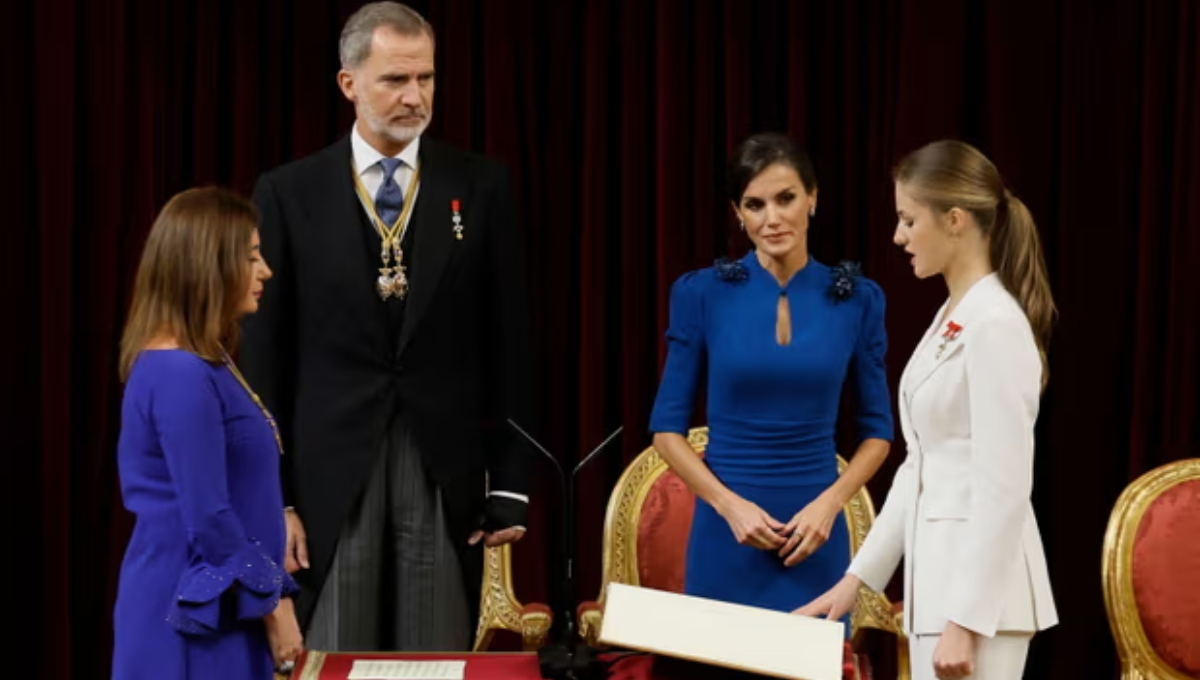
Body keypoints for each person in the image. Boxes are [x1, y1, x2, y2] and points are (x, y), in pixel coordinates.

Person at [239, 1, 534, 652]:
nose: (414, 96)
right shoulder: (290, 193)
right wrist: (276, 498)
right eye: (395, 80)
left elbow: (508, 342)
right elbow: (264, 357)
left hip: (444, 463)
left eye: (425, 79)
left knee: (434, 654)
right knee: (337, 650)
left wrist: (511, 479)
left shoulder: (480, 185)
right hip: (329, 471)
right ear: (349, 84)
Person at [795, 140, 1059, 680]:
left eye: (909, 219)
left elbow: (1004, 485)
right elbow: (921, 468)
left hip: (981, 605)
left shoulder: (996, 324)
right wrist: (855, 582)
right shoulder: (952, 316)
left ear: (956, 220)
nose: (899, 236)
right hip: (940, 588)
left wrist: (964, 619)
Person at [647, 132, 894, 624]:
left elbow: (879, 434)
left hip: (814, 541)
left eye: (786, 199)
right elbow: (666, 432)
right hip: (726, 539)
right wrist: (729, 506)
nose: (772, 218)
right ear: (738, 213)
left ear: (813, 198)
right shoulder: (701, 294)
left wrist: (830, 505)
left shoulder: (858, 300)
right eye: (755, 205)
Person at [112, 187, 302, 679]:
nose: (266, 271)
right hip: (191, 620)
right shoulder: (180, 374)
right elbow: (210, 516)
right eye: (252, 257)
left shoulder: (205, 362)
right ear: (206, 265)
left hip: (225, 603)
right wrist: (276, 606)